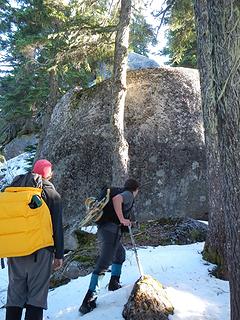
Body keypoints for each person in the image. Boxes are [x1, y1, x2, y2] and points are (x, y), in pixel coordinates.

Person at [5, 159, 64, 320]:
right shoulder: (51, 194)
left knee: (15, 296)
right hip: (40, 251)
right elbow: (57, 226)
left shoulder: (13, 190)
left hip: (15, 250)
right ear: (49, 175)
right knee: (36, 296)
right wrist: (59, 255)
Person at [79, 178, 139, 315]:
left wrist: (128, 221)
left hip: (106, 229)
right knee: (104, 263)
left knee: (120, 255)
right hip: (111, 231)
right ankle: (88, 300)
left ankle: (114, 283)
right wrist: (122, 219)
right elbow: (117, 199)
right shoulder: (128, 194)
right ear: (136, 189)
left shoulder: (120, 191)